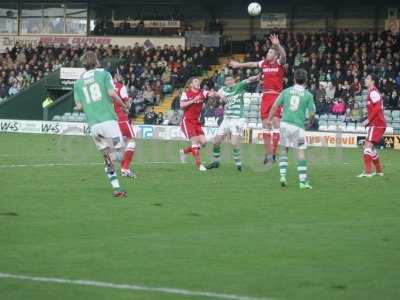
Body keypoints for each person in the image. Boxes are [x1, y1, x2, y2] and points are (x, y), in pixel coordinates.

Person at [73, 51, 129, 197]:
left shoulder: (77, 83)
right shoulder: (103, 74)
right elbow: (111, 93)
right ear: (96, 62)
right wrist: (123, 105)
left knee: (107, 157)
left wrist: (84, 104)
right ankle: (111, 159)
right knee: (121, 154)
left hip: (94, 125)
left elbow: (78, 106)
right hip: (108, 121)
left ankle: (116, 188)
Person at [230, 34, 286, 164]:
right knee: (265, 126)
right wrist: (239, 65)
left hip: (277, 96)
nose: (268, 53)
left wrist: (277, 45)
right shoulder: (264, 64)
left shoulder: (278, 63)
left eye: (271, 52)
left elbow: (284, 56)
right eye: (268, 51)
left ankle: (274, 152)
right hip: (266, 96)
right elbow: (251, 63)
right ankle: (268, 154)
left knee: (276, 124)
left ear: (275, 55)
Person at [266, 69, 316, 190]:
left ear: (294, 79)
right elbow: (312, 113)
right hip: (298, 126)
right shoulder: (308, 95)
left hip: (285, 124)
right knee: (300, 152)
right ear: (306, 81)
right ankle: (302, 182)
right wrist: (310, 122)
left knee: (284, 150)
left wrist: (269, 119)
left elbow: (275, 106)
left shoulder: (286, 91)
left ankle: (283, 176)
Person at [206, 75, 260, 171]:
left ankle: (239, 164)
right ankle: (216, 162)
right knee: (216, 141)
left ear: (234, 80)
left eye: (231, 79)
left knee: (234, 142)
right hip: (227, 119)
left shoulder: (239, 86)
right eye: (227, 80)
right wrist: (218, 95)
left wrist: (257, 76)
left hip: (238, 118)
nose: (229, 81)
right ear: (225, 82)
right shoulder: (223, 89)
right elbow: (213, 94)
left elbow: (249, 80)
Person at [179, 77, 221, 171]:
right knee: (194, 142)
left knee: (204, 142)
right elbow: (181, 105)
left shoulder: (203, 92)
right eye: (195, 81)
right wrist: (194, 100)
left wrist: (217, 94)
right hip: (187, 121)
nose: (198, 83)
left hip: (196, 122)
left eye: (198, 82)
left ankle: (184, 152)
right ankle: (199, 165)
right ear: (191, 84)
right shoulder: (186, 93)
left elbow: (211, 94)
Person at [358, 74, 387, 178]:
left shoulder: (373, 92)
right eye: (365, 78)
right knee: (371, 148)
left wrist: (368, 120)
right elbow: (376, 108)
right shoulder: (373, 92)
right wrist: (368, 119)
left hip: (377, 124)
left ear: (373, 81)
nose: (365, 80)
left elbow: (378, 107)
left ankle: (368, 172)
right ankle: (379, 171)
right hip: (377, 124)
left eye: (368, 78)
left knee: (367, 147)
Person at [113, 71, 136, 178]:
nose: (120, 76)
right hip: (121, 118)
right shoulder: (120, 87)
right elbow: (126, 102)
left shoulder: (105, 87)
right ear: (115, 77)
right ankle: (125, 168)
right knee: (131, 141)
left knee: (120, 144)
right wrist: (127, 109)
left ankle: (121, 167)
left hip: (110, 120)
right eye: (119, 75)